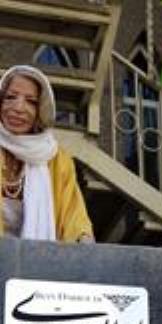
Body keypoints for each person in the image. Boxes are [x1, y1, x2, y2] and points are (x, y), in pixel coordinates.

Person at [0, 65, 94, 242]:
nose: (19, 107)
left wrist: (84, 240)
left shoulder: (57, 159)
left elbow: (73, 216)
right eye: (10, 97)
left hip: (34, 258)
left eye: (31, 101)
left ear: (40, 111)